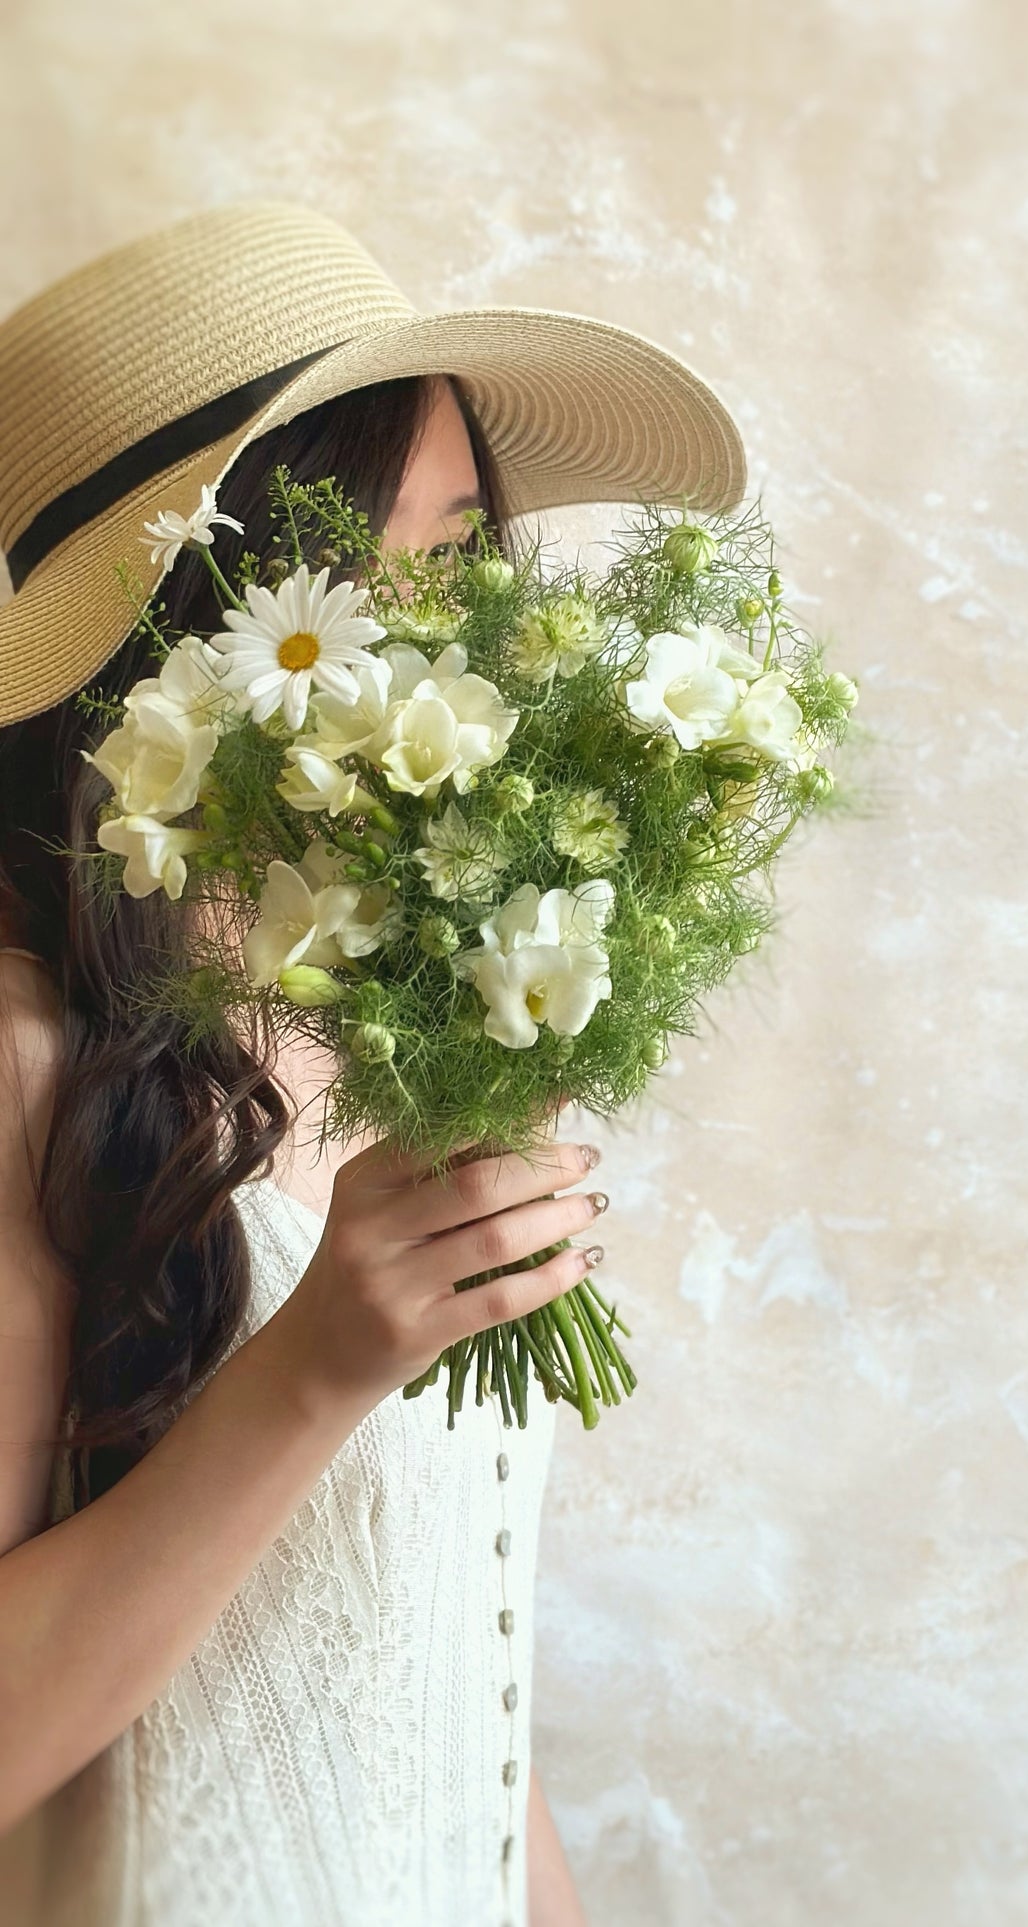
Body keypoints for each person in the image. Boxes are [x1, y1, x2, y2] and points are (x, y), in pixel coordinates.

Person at [0, 203, 745, 1926]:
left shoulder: (420, 1032)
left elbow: (438, 1655)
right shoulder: (29, 1059)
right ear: (183, 622)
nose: (448, 623)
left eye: (463, 546)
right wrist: (313, 1369)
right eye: (359, 560)